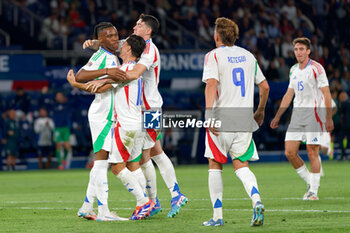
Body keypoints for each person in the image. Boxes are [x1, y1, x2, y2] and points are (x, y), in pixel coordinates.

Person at [83, 14, 188, 218]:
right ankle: (159, 198)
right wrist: (96, 43)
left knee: (151, 154)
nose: (134, 26)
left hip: (150, 108)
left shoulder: (149, 50)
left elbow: (133, 73)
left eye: (139, 25)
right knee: (150, 153)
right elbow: (116, 45)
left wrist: (110, 76)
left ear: (147, 30)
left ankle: (166, 197)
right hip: (140, 109)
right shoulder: (136, 43)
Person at [68, 33, 154, 221]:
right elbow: (105, 83)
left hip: (126, 125)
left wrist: (76, 84)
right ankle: (146, 202)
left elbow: (99, 88)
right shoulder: (131, 68)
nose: (120, 46)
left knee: (115, 167)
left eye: (124, 44)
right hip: (135, 123)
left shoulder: (123, 70)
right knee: (132, 165)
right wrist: (104, 78)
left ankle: (143, 201)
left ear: (129, 49)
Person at [202, 17, 269, 227]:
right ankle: (256, 200)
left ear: (217, 36)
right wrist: (260, 110)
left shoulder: (213, 55)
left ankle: (217, 216)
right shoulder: (248, 56)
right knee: (241, 165)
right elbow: (265, 87)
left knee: (215, 164)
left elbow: (211, 84)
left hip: (221, 119)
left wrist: (209, 114)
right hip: (244, 119)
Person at [67, 22, 127, 221]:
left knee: (101, 163)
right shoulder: (102, 57)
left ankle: (86, 207)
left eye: (116, 34)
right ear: (101, 39)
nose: (115, 38)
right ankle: (103, 211)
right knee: (102, 163)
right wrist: (108, 72)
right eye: (109, 36)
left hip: (108, 114)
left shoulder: (112, 56)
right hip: (103, 114)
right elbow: (81, 75)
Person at [270, 37, 334, 200]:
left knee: (312, 152)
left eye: (301, 49)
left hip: (314, 114)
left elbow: (326, 92)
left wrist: (328, 117)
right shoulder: (293, 70)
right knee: (290, 152)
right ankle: (310, 182)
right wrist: (278, 116)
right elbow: (289, 94)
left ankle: (314, 191)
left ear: (308, 51)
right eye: (296, 49)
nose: (298, 52)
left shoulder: (316, 68)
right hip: (297, 115)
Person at [53, 92, 72, 170]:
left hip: (65, 128)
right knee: (58, 145)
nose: (59, 98)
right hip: (57, 128)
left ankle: (63, 159)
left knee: (67, 146)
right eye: (58, 96)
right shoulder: (53, 105)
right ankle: (59, 164)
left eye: (61, 96)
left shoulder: (67, 104)